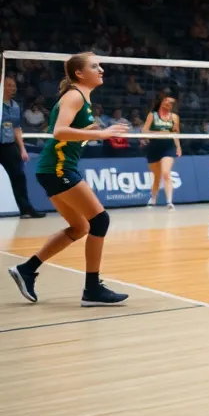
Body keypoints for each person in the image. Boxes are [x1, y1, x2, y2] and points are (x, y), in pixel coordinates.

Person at [7, 52, 130, 306]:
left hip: (54, 168)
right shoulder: (74, 95)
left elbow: (67, 132)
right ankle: (92, 289)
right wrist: (102, 135)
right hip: (58, 168)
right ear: (79, 73)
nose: (101, 70)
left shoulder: (82, 97)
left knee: (80, 227)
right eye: (95, 66)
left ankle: (27, 270)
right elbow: (58, 131)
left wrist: (88, 132)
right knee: (100, 220)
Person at [2, 75, 40, 218]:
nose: (13, 88)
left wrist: (22, 149)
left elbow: (16, 128)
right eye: (9, 85)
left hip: (8, 145)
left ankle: (26, 210)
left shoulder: (15, 106)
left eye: (14, 86)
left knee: (18, 176)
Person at [142, 93, 182, 210]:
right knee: (157, 175)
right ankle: (153, 198)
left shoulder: (174, 117)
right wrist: (159, 133)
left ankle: (169, 202)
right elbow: (144, 131)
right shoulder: (152, 115)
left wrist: (178, 147)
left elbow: (175, 133)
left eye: (172, 103)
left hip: (168, 147)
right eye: (167, 101)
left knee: (166, 173)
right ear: (162, 102)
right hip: (154, 147)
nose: (169, 104)